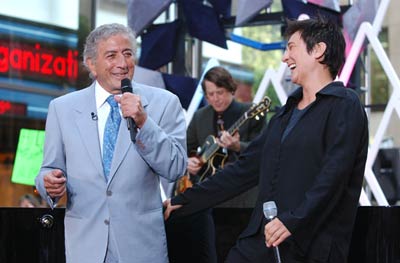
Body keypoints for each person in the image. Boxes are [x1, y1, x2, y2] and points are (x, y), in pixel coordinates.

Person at [164, 17, 369, 263]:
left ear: (318, 50)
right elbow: (243, 170)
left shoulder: (345, 104)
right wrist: (184, 201)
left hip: (312, 245)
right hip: (261, 241)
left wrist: (293, 220)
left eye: (291, 47)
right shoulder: (284, 114)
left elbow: (334, 176)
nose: (284, 57)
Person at [35, 23, 187, 263]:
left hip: (141, 248)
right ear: (91, 64)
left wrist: (144, 122)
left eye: (128, 54)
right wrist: (48, 184)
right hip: (85, 247)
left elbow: (176, 167)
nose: (122, 63)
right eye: (111, 55)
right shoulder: (61, 108)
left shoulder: (164, 103)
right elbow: (47, 170)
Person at [166, 66, 266, 263]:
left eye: (220, 93)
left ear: (231, 89)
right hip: (209, 199)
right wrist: (189, 161)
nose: (215, 98)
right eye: (210, 94)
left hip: (242, 202)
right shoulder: (200, 116)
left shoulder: (249, 112)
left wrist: (238, 145)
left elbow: (263, 152)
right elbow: (185, 148)